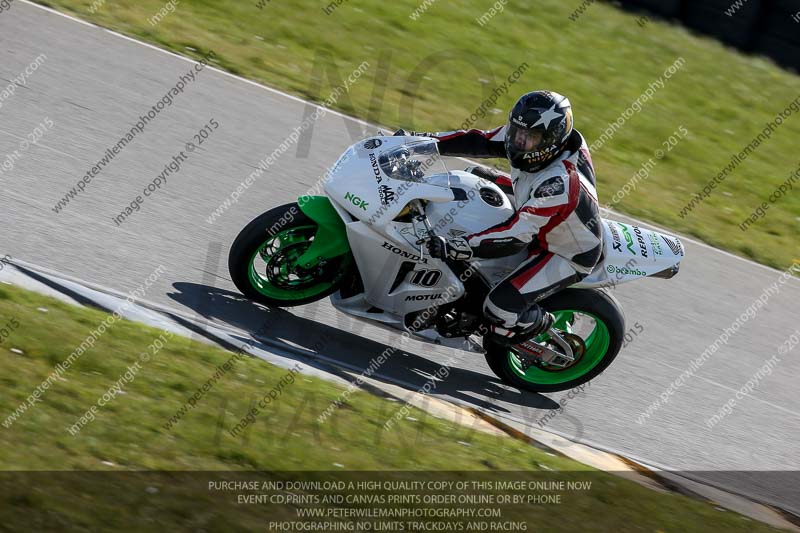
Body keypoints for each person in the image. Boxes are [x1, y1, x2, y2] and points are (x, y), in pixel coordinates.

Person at [396, 91, 603, 345]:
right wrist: (418, 143)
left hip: (563, 251)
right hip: (534, 206)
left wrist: (457, 247)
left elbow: (516, 235)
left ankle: (539, 323)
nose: (518, 141)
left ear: (551, 141)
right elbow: (477, 141)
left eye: (530, 138)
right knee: (472, 177)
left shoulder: (558, 184)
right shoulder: (531, 139)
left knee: (498, 308)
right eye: (517, 131)